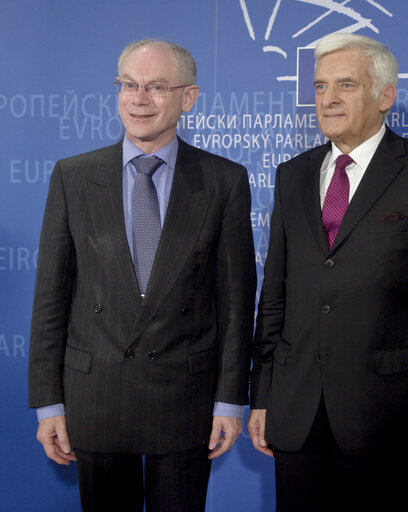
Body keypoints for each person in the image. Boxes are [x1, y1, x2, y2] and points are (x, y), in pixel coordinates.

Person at [247, 33, 408, 511]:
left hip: (387, 417)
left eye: (345, 85)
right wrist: (263, 394)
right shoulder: (293, 174)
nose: (327, 98)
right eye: (319, 87)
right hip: (296, 412)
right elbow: (275, 295)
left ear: (385, 96)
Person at [28, 39, 256, 512]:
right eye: (128, 85)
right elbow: (51, 299)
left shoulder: (223, 181)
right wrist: (49, 404)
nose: (139, 98)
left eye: (156, 86)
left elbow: (235, 303)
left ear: (187, 98)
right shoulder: (73, 176)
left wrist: (230, 401)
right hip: (96, 396)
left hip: (185, 400)